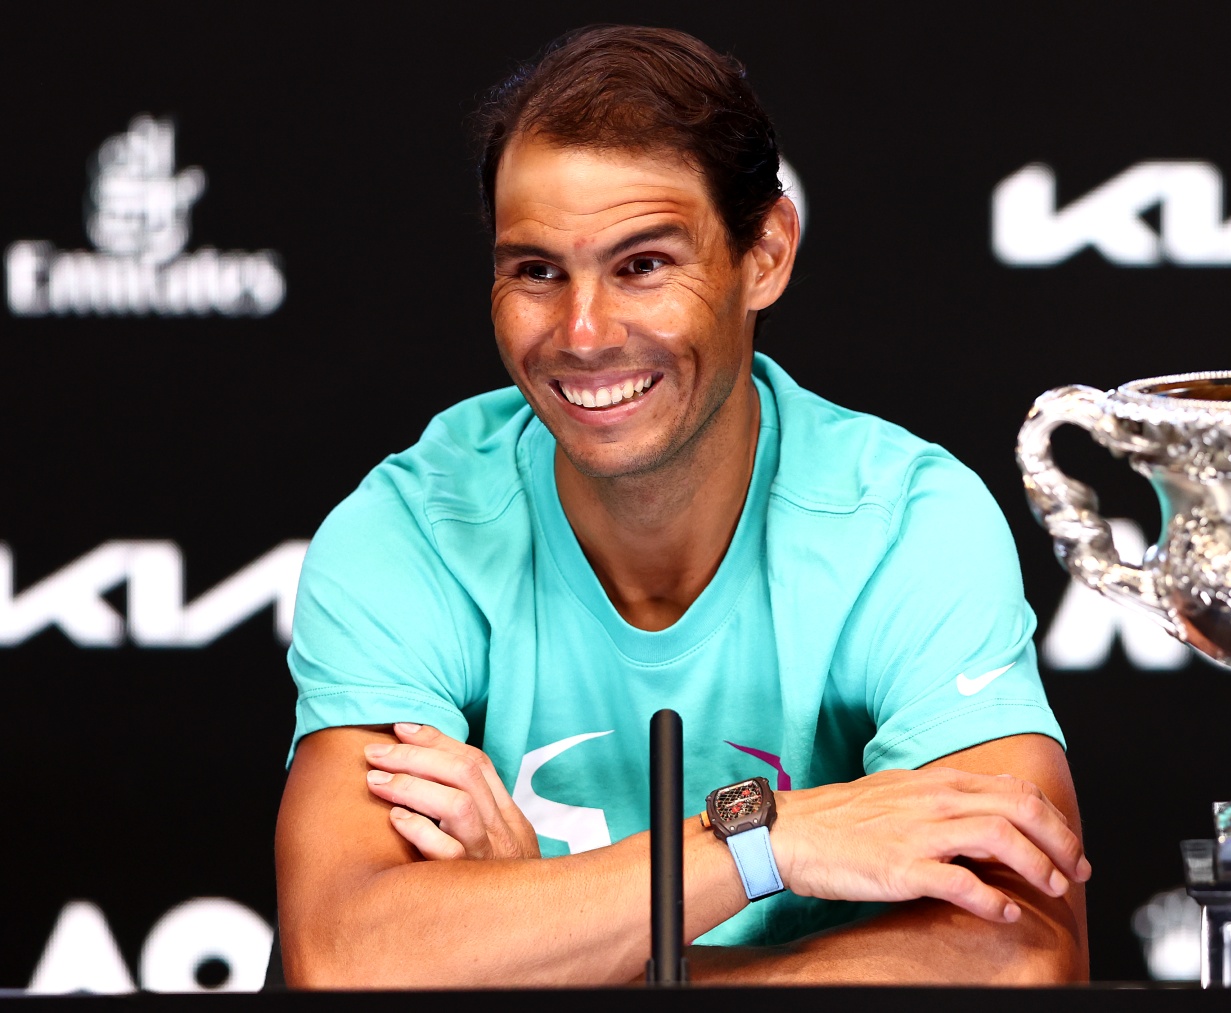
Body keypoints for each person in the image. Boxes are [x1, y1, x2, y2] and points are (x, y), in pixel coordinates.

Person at [273, 24, 1088, 987]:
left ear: (766, 254)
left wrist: (551, 951)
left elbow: (1021, 956)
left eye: (644, 264)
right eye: (536, 272)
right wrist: (763, 840)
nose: (582, 333)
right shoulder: (409, 530)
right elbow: (346, 953)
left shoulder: (907, 522)